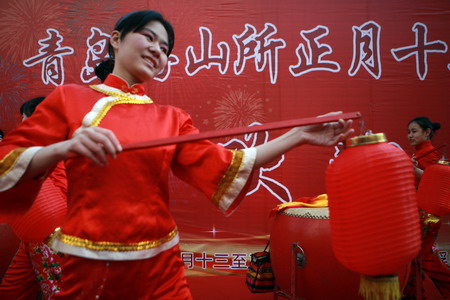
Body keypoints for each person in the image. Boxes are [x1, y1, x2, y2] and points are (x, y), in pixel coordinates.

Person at [0, 10, 353, 299]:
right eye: (148, 37)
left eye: (165, 47)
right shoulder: (68, 99)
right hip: (91, 264)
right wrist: (64, 148)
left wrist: (298, 136)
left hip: (162, 264)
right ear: (116, 39)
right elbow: (7, 162)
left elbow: (228, 165)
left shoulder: (171, 118)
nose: (157, 50)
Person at [0, 97, 67, 300]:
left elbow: (63, 184)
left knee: (59, 292)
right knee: (12, 291)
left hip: (52, 232)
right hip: (32, 235)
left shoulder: (50, 145)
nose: (22, 123)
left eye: (25, 118)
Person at [403, 116, 450, 299]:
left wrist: (415, 171)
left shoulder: (430, 153)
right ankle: (412, 293)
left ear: (427, 132)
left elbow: (436, 181)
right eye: (408, 132)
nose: (410, 135)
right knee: (416, 259)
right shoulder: (418, 153)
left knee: (422, 258)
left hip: (427, 216)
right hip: (418, 213)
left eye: (414, 131)